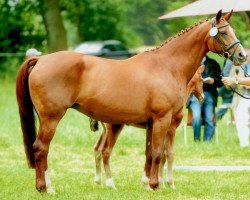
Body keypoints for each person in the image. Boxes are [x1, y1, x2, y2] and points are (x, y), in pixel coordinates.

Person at [187, 55, 222, 141]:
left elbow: (220, 81)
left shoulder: (213, 63)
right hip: (194, 95)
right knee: (196, 118)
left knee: (209, 119)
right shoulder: (191, 63)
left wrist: (213, 81)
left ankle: (208, 142)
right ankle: (197, 141)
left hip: (209, 94)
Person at [222, 63, 250, 147]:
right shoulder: (236, 67)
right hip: (242, 97)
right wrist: (230, 82)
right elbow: (229, 86)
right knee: (241, 120)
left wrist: (236, 80)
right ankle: (244, 144)